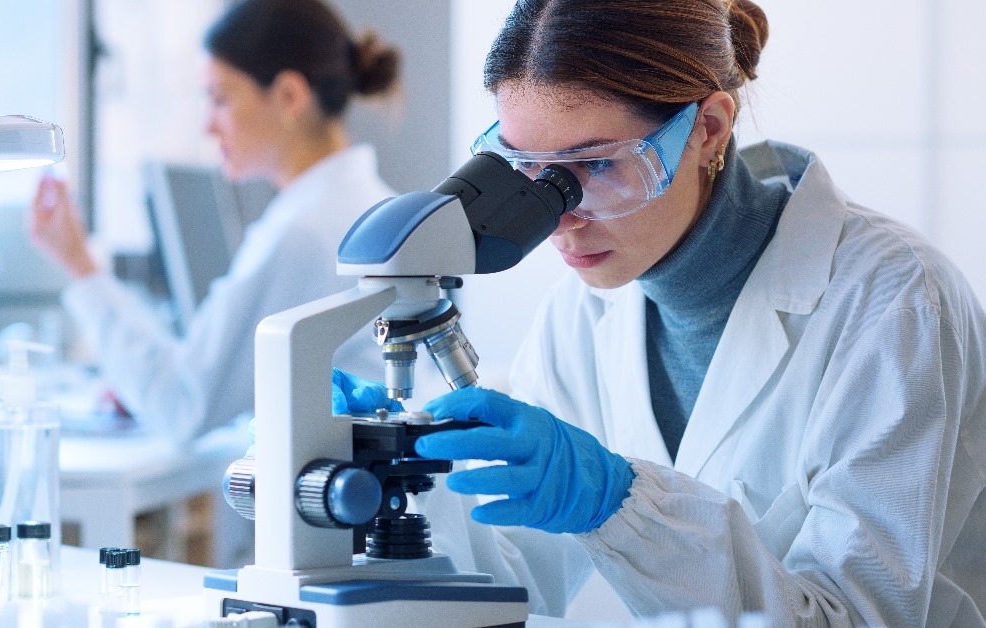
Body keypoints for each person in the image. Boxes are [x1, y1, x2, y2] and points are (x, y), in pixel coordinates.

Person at [334, 0, 986, 625]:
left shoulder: (895, 304)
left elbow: (857, 619)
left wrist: (621, 506)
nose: (557, 219)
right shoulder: (581, 315)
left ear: (708, 129)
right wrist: (408, 482)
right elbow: (515, 580)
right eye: (525, 168)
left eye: (595, 164)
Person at [28, 0, 402, 448]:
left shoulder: (306, 232)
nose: (208, 126)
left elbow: (182, 403)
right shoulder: (365, 204)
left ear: (289, 96)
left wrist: (81, 268)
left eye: (220, 98)